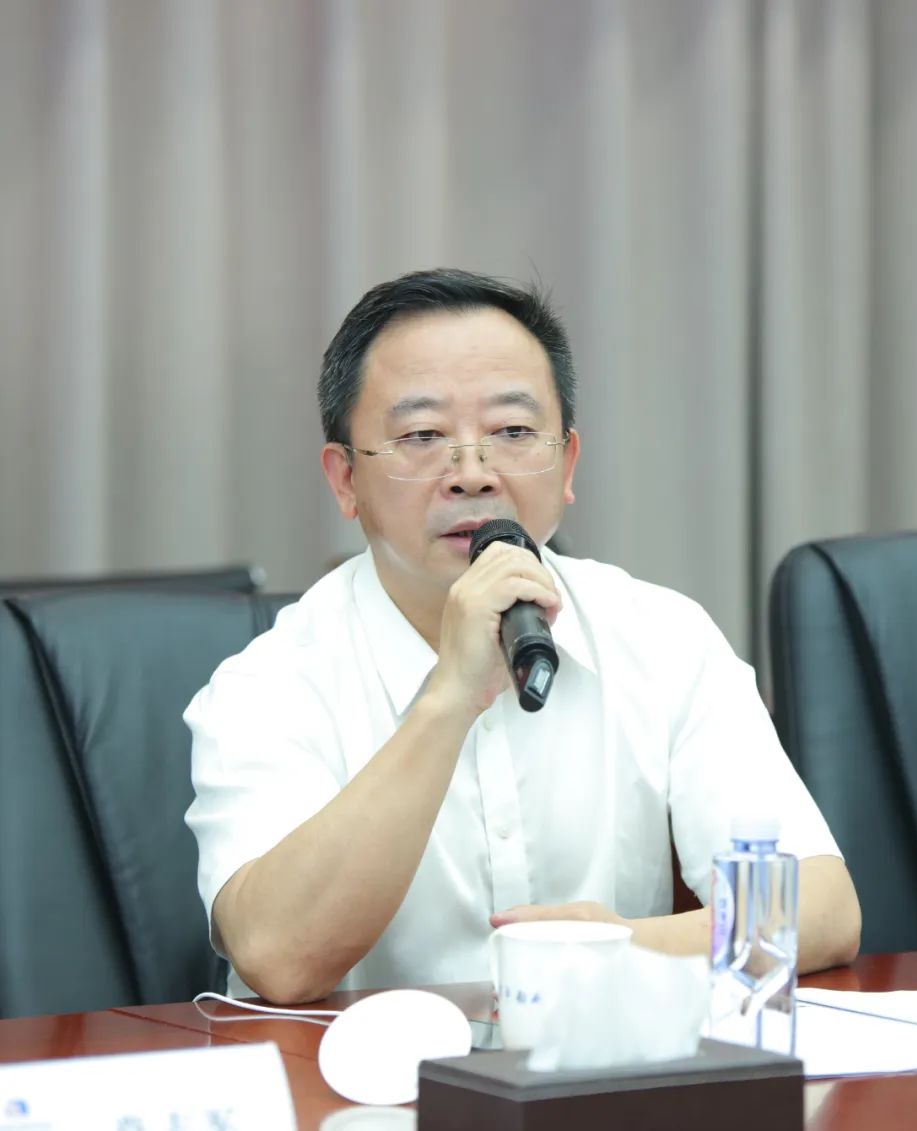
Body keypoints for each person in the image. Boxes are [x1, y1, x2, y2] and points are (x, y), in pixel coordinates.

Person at [184, 267, 861, 1004]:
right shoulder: (270, 684)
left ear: (566, 463)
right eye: (422, 435)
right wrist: (450, 696)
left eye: (512, 432)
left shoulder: (661, 636)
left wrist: (617, 947)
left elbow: (820, 908)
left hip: (599, 1063)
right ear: (345, 479)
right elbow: (277, 958)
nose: (472, 474)